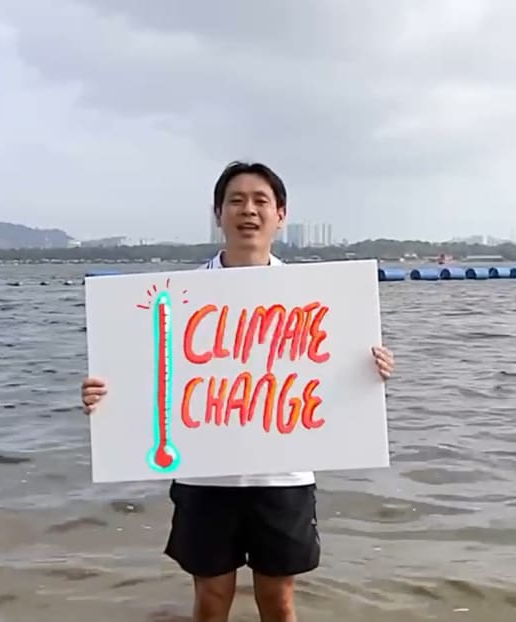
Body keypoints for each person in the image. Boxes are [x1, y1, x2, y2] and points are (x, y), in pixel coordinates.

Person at [80, 161, 395, 622]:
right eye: (236, 201)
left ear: (280, 215)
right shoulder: (179, 296)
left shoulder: (314, 294)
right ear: (218, 214)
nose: (249, 210)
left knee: (278, 600)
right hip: (204, 476)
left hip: (283, 476)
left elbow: (337, 372)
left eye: (261, 201)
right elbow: (140, 371)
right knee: (211, 599)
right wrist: (105, 398)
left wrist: (371, 371)